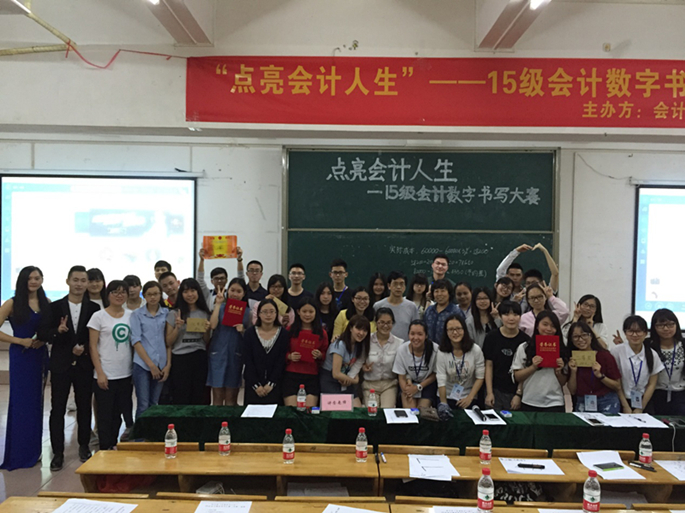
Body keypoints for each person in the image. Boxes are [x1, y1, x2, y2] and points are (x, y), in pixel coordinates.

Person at [41, 265, 100, 471]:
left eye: (83, 281)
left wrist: (84, 349)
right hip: (61, 364)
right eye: (75, 280)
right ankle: (58, 453)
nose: (79, 284)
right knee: (57, 409)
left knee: (84, 407)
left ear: (87, 283)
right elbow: (43, 333)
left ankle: (84, 446)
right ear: (67, 281)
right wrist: (57, 331)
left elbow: (96, 336)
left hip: (84, 364)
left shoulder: (94, 309)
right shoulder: (55, 307)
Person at [0, 266, 49, 470]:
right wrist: (20, 340)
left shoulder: (46, 302)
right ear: (23, 280)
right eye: (30, 278)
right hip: (21, 356)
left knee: (36, 404)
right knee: (21, 403)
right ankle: (19, 453)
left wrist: (44, 339)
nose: (34, 281)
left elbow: (49, 328)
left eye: (37, 278)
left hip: (39, 355)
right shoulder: (12, 303)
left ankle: (33, 451)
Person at [88, 280, 133, 451]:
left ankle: (113, 446)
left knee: (118, 415)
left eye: (123, 292)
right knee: (104, 415)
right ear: (108, 295)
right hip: (105, 373)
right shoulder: (98, 316)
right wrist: (100, 372)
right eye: (115, 292)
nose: (119, 295)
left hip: (126, 373)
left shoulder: (131, 315)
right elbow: (93, 346)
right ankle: (104, 448)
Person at [165, 278, 212, 405]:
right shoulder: (174, 313)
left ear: (198, 292)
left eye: (193, 291)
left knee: (198, 394)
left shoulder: (205, 313)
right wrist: (177, 328)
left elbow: (206, 340)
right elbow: (168, 342)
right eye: (186, 291)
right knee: (181, 395)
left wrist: (207, 330)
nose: (190, 294)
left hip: (199, 356)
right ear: (181, 294)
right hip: (180, 358)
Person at [511, 310, 568, 412]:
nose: (549, 329)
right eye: (545, 324)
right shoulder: (525, 347)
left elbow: (563, 382)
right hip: (529, 400)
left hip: (555, 402)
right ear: (537, 325)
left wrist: (559, 370)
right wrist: (533, 367)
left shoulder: (562, 348)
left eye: (553, 326)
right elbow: (517, 376)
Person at [207, 278, 251, 406]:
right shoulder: (220, 308)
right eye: (232, 290)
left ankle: (230, 419)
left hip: (235, 354)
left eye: (239, 291)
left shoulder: (248, 312)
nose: (235, 294)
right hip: (217, 354)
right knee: (217, 397)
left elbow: (251, 336)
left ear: (244, 293)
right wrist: (218, 304)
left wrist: (243, 330)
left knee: (231, 398)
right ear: (227, 291)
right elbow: (212, 325)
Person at [130, 281, 170, 418]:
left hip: (161, 364)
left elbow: (169, 341)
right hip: (142, 365)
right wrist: (151, 365)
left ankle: (152, 431)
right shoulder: (137, 314)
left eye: (156, 294)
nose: (153, 297)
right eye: (149, 294)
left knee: (154, 403)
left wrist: (167, 365)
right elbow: (136, 341)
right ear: (144, 296)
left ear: (160, 295)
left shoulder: (166, 313)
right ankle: (140, 432)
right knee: (143, 404)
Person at [611, 315, 664, 414]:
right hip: (621, 400)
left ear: (645, 333)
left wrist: (641, 408)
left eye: (639, 331)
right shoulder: (616, 352)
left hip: (644, 401)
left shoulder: (652, 354)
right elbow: (617, 382)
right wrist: (625, 406)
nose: (635, 335)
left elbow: (652, 384)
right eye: (631, 331)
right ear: (625, 333)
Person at [567, 321, 622, 413]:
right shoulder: (573, 359)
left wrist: (600, 376)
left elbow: (617, 386)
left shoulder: (605, 356)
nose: (580, 339)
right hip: (583, 401)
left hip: (606, 400)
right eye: (576, 337)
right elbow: (572, 391)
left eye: (584, 335)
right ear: (571, 340)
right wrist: (573, 371)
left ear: (591, 336)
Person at [283, 297, 329, 408]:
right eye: (304, 311)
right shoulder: (290, 330)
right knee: (291, 411)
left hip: (312, 376)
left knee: (309, 412)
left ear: (315, 312)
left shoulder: (321, 333)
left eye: (311, 312)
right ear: (298, 312)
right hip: (291, 375)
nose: (307, 315)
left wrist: (319, 355)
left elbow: (325, 354)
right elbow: (281, 351)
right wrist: (289, 356)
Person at [483, 301, 529, 411]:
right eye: (506, 314)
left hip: (515, 392)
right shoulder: (491, 337)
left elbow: (525, 370)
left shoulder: (526, 340)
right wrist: (489, 392)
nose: (511, 318)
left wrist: (518, 394)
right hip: (495, 389)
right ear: (500, 316)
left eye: (515, 314)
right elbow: (488, 365)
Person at [243, 299, 290, 404]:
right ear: (258, 314)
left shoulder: (283, 334)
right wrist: (256, 385)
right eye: (264, 312)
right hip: (253, 386)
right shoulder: (250, 333)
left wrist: (271, 383)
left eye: (272, 311)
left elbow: (281, 361)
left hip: (275, 385)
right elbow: (248, 361)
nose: (268, 315)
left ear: (277, 314)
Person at [437, 315, 485, 417]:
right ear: (446, 332)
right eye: (451, 329)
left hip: (469, 396)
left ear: (464, 330)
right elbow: (441, 379)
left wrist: (470, 398)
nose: (455, 333)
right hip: (447, 396)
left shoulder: (475, 350)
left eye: (458, 328)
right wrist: (444, 403)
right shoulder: (441, 352)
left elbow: (480, 377)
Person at [356, 308, 402, 408]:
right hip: (369, 384)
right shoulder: (366, 340)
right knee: (372, 411)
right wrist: (363, 367)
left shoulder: (399, 343)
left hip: (389, 385)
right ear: (376, 323)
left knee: (386, 410)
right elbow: (358, 361)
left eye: (388, 322)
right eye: (382, 322)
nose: (385, 326)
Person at [320, 314, 369, 407]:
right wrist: (354, 381)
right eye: (358, 329)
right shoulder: (340, 344)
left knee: (358, 409)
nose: (361, 333)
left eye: (365, 330)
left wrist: (351, 379)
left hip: (346, 380)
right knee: (340, 411)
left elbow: (354, 367)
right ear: (350, 328)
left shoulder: (359, 346)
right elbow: (336, 373)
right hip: (331, 380)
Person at [393, 320, 439, 409]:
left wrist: (418, 387)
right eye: (412, 334)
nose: (416, 337)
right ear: (408, 334)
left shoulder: (435, 349)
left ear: (426, 335)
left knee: (422, 412)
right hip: (408, 384)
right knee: (410, 412)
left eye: (420, 334)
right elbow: (401, 377)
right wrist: (407, 391)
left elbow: (434, 374)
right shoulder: (402, 350)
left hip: (426, 384)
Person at [649, 309, 685, 415]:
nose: (666, 329)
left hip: (680, 394)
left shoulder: (683, 345)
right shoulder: (648, 346)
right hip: (655, 394)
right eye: (661, 325)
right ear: (654, 327)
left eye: (670, 324)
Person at [373, 271, 420, 339]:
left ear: (405, 287)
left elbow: (416, 330)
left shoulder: (411, 306)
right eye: (395, 284)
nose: (398, 287)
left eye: (401, 284)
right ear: (389, 286)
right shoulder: (378, 306)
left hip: (405, 345)